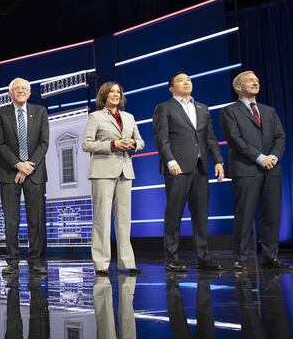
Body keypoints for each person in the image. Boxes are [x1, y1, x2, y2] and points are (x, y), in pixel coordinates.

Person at [152, 71, 224, 272]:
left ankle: (203, 257)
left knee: (201, 214)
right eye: (181, 80)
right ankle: (172, 258)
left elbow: (210, 138)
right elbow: (161, 138)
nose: (187, 82)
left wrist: (218, 160)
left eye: (189, 79)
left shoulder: (202, 108)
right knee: (174, 214)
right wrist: (170, 161)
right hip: (177, 168)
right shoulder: (164, 108)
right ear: (171, 88)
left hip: (201, 168)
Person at [219, 71, 291, 271]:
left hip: (271, 169)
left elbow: (280, 137)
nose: (255, 82)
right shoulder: (229, 111)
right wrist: (260, 158)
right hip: (246, 168)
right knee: (245, 215)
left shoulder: (269, 111)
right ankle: (241, 259)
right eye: (250, 80)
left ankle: (270, 257)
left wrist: (273, 158)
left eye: (257, 80)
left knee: (272, 215)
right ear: (238, 87)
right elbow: (235, 139)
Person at [82, 82, 143, 276]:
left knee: (124, 220)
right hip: (102, 171)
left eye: (118, 92)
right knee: (102, 218)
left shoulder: (129, 117)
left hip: (125, 171)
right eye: (112, 92)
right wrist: (113, 144)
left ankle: (127, 262)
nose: (116, 95)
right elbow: (86, 144)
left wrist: (133, 144)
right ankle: (101, 263)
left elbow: (141, 141)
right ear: (104, 95)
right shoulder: (96, 116)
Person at [0, 77, 49, 276]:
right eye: (17, 89)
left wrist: (28, 166)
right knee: (11, 220)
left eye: (24, 88)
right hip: (9, 173)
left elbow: (44, 143)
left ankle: (35, 261)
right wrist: (18, 165)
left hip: (34, 172)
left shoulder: (40, 112)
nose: (21, 91)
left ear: (30, 92)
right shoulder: (0, 113)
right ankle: (12, 262)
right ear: (10, 93)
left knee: (35, 220)